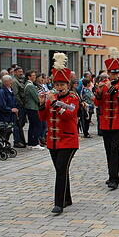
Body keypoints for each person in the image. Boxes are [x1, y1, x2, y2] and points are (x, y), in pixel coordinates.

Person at [38, 53, 80, 215]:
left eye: (62, 84)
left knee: (61, 170)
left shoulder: (73, 98)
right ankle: (67, 198)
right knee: (60, 170)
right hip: (53, 141)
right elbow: (43, 118)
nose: (59, 87)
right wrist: (42, 105)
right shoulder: (50, 98)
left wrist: (54, 102)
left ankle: (58, 204)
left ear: (67, 85)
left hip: (69, 140)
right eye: (57, 84)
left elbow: (70, 114)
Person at [94, 47, 119, 190]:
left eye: (116, 73)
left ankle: (115, 178)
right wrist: (98, 92)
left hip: (118, 122)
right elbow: (98, 103)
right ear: (108, 73)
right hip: (105, 122)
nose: (113, 75)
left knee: (114, 148)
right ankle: (111, 175)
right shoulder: (103, 85)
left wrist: (114, 90)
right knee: (108, 150)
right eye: (111, 73)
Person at [0, 74, 25, 147]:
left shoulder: (10, 90)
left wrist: (15, 109)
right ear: (5, 82)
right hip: (4, 115)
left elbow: (13, 101)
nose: (11, 82)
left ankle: (6, 144)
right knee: (5, 131)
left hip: (11, 115)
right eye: (10, 81)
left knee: (9, 130)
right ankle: (2, 145)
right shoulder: (2, 91)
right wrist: (11, 109)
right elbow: (1, 104)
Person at [23, 70, 44, 149]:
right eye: (33, 75)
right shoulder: (30, 86)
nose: (35, 77)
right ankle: (35, 143)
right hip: (32, 108)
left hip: (30, 107)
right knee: (37, 125)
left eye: (35, 75)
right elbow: (37, 98)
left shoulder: (28, 84)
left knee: (32, 125)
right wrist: (41, 98)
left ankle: (31, 143)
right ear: (29, 77)